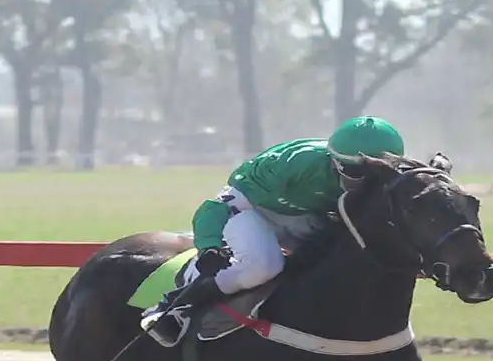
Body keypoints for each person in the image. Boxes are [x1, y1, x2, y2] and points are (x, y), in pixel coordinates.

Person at [141, 115, 407, 346]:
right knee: (264, 266)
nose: (367, 182)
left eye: (378, 173)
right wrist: (209, 246)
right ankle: (178, 304)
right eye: (355, 171)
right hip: (254, 212)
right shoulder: (289, 165)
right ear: (334, 161)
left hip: (307, 218)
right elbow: (216, 207)